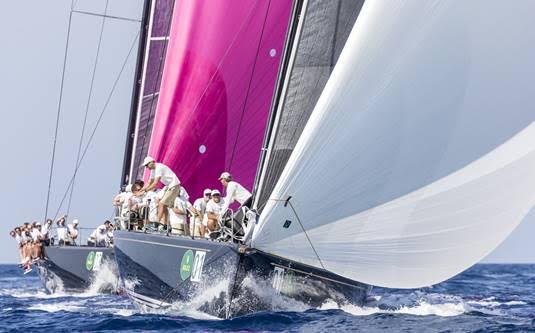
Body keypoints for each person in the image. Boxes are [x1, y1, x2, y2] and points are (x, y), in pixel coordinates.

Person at [141, 157, 181, 229]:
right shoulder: (153, 170)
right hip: (171, 186)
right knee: (164, 206)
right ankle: (166, 226)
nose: (146, 167)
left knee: (161, 204)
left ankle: (156, 224)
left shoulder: (159, 167)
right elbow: (149, 182)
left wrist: (146, 191)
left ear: (152, 162)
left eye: (147, 165)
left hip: (174, 185)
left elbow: (155, 183)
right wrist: (141, 190)